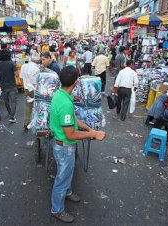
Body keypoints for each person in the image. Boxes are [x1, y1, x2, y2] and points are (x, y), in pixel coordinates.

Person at [50, 66, 106, 223]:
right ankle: (57, 209)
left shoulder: (61, 94)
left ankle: (67, 193)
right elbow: (71, 134)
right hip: (64, 147)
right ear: (75, 82)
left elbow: (73, 120)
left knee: (67, 174)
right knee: (62, 178)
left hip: (65, 145)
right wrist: (93, 134)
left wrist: (88, 128)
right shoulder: (65, 103)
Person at [0, 49, 17, 122]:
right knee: (13, 102)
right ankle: (12, 116)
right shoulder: (11, 63)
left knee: (6, 101)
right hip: (12, 85)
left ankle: (9, 112)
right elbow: (15, 73)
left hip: (3, 85)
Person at [21, 54, 40, 130]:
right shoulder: (36, 69)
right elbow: (35, 82)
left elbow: (21, 78)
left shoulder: (24, 66)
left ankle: (26, 122)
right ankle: (36, 123)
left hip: (26, 88)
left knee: (28, 105)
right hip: (33, 89)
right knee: (36, 106)